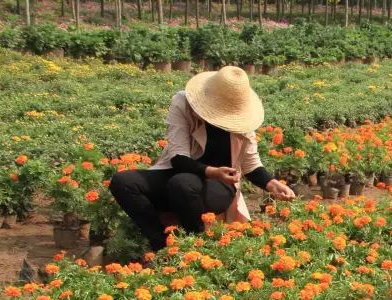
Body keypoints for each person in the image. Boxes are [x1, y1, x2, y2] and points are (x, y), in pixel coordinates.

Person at [110, 66, 296, 253]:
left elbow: (251, 164)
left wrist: (272, 184)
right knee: (124, 182)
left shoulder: (242, 117)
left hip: (220, 185)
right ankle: (161, 243)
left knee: (183, 183)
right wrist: (211, 171)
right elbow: (178, 158)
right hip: (179, 173)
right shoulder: (183, 103)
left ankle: (196, 245)